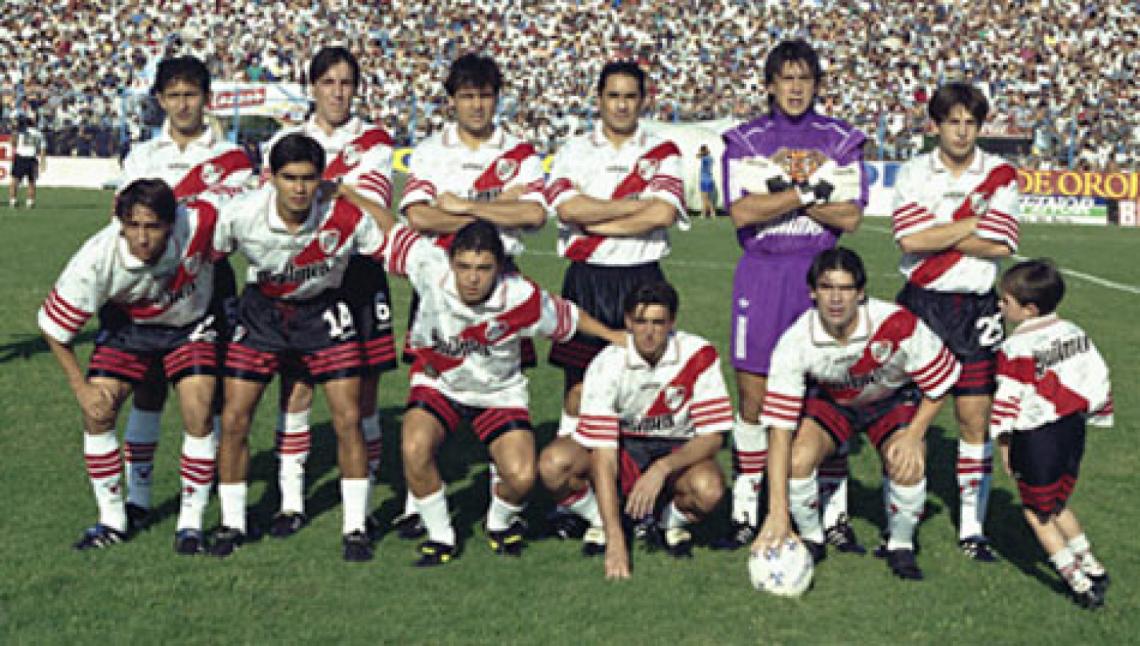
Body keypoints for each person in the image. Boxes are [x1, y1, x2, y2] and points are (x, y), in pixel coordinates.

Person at [344, 185, 624, 566]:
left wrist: (614, 337)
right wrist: (345, 191)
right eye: (464, 266)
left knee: (522, 477)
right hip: (439, 382)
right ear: (451, 260)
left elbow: (571, 317)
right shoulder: (429, 266)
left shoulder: (521, 296)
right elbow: (389, 224)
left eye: (483, 268)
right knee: (414, 447)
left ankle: (498, 523)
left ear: (500, 267)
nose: (472, 278)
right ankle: (442, 536)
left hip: (498, 392)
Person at [717, 39, 867, 551]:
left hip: (822, 277)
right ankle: (747, 506)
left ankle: (834, 510)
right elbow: (741, 212)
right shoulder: (744, 139)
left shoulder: (843, 140)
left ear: (818, 84)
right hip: (761, 277)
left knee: (828, 395)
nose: (796, 87)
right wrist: (810, 193)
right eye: (787, 78)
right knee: (755, 398)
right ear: (770, 84)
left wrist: (780, 197)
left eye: (805, 78)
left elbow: (849, 216)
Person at [209, 133, 384, 562]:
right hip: (261, 313)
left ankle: (357, 528)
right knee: (234, 418)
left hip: (324, 312)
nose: (299, 189)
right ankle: (233, 523)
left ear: (322, 178)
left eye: (308, 178)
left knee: (348, 417)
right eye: (289, 178)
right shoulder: (240, 214)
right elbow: (208, 259)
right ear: (271, 177)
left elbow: (389, 246)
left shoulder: (345, 216)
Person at [396, 52, 547, 539]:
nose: (477, 106)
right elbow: (419, 217)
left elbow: (535, 215)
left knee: (499, 376)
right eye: (467, 97)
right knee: (430, 381)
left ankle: (504, 501)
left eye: (485, 96)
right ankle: (418, 504)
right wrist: (487, 217)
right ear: (452, 101)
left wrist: (459, 207)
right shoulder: (431, 151)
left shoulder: (519, 151)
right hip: (440, 281)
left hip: (500, 283)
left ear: (497, 98)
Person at [38, 179, 224, 554]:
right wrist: (82, 389)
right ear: (121, 223)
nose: (142, 238)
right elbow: (53, 329)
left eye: (153, 227)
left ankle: (190, 522)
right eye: (134, 226)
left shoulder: (203, 220)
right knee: (99, 412)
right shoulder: (96, 259)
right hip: (130, 326)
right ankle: (113, 520)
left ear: (171, 224)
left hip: (190, 326)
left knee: (199, 409)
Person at [751, 248, 960, 581]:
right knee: (798, 457)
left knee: (909, 460)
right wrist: (777, 513)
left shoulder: (896, 323)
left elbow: (941, 381)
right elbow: (779, 431)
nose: (836, 298)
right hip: (834, 401)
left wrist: (913, 435)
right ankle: (811, 538)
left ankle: (900, 546)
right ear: (812, 292)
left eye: (846, 288)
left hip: (890, 400)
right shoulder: (795, 342)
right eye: (826, 287)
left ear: (861, 293)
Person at [542, 61, 687, 540]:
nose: (622, 104)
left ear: (643, 99)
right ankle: (574, 496)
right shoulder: (574, 150)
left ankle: (636, 493)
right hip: (588, 279)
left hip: (642, 279)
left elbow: (663, 212)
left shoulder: (662, 151)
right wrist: (634, 208)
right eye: (613, 95)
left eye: (630, 96)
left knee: (641, 391)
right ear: (598, 99)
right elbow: (566, 208)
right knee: (580, 391)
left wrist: (598, 219)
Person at [260, 47, 399, 539]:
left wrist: (333, 189)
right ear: (312, 88)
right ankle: (292, 500)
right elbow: (275, 206)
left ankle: (367, 493)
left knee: (363, 393)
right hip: (304, 274)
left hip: (358, 275)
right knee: (296, 386)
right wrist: (335, 189)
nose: (338, 92)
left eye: (346, 82)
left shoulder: (375, 141)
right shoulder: (284, 140)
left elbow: (377, 216)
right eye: (328, 82)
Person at [116, 55, 254, 530]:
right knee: (146, 392)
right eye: (173, 95)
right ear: (159, 100)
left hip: (208, 287)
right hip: (144, 289)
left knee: (205, 399)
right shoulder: (141, 157)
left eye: (190, 94)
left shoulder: (232, 159)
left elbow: (230, 230)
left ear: (206, 99)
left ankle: (201, 495)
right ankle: (137, 498)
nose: (182, 104)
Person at [891, 81, 1020, 561]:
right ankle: (901, 526)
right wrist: (972, 224)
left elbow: (1004, 245)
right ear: (936, 125)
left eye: (970, 123)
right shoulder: (912, 172)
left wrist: (938, 232)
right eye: (953, 122)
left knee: (973, 418)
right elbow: (908, 241)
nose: (962, 132)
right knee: (906, 418)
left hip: (975, 308)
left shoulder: (1001, 174)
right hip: (921, 302)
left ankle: (972, 527)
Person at [543, 281, 732, 578]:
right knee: (554, 464)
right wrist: (616, 543)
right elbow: (603, 457)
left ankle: (667, 521)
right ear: (627, 321)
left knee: (708, 491)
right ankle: (603, 521)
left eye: (658, 322)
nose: (648, 332)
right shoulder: (607, 364)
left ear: (672, 322)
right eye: (641, 321)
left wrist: (662, 468)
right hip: (623, 447)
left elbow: (713, 437)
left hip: (675, 448)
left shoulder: (698, 353)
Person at [991, 259, 1113, 608]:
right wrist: (1095, 411)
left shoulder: (1016, 346)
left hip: (1037, 436)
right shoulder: (1074, 331)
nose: (1000, 306)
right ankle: (1093, 565)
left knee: (1036, 512)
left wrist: (1004, 444)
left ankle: (1077, 582)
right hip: (1072, 429)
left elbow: (1008, 398)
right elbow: (1097, 374)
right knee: (1058, 502)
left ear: (1028, 309)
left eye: (1006, 302)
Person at [9, 116, 46, 208]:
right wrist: (43, 161)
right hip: (32, 158)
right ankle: (30, 201)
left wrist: (14, 131)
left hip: (20, 157)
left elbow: (13, 143)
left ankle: (13, 200)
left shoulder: (20, 131)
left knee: (15, 180)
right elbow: (42, 148)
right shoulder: (39, 133)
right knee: (31, 181)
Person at [697, 144, 716, 219]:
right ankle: (712, 213)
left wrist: (703, 153)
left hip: (704, 180)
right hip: (710, 179)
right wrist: (706, 152)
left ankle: (703, 214)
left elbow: (697, 156)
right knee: (709, 198)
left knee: (704, 198)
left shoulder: (704, 158)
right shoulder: (710, 158)